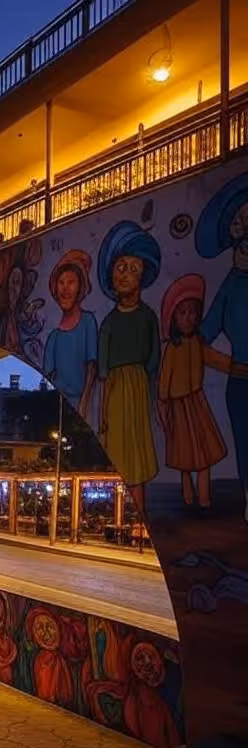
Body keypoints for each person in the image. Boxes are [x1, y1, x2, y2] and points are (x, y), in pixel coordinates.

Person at [97, 221, 161, 516]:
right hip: (117, 391)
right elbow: (103, 373)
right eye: (120, 267)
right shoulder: (109, 323)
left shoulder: (148, 317)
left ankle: (140, 516)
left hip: (138, 389)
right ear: (111, 274)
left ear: (143, 276)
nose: (125, 275)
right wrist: (102, 415)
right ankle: (123, 514)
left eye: (133, 269)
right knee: (120, 454)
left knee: (139, 455)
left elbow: (153, 360)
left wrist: (152, 397)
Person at [196, 172, 248, 521]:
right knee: (244, 445)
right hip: (241, 382)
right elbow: (203, 336)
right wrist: (229, 365)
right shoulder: (231, 285)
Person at [157, 274, 229, 507]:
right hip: (177, 408)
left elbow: (217, 360)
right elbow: (164, 382)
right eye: (182, 312)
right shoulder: (172, 348)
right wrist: (163, 406)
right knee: (184, 459)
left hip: (197, 405)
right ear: (174, 317)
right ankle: (189, 498)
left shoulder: (197, 343)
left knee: (205, 455)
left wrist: (238, 366)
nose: (188, 318)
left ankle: (205, 499)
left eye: (192, 312)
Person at [43, 250, 98, 418]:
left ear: (80, 287)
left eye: (71, 282)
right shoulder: (54, 337)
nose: (65, 289)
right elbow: (48, 379)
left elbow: (92, 367)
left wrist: (83, 404)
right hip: (60, 409)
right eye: (61, 283)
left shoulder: (88, 321)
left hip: (83, 405)